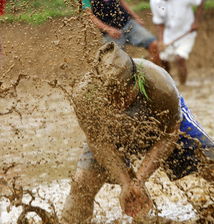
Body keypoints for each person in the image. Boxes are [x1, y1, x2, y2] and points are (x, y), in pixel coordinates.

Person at [61, 42, 214, 224]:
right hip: (111, 134)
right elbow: (98, 142)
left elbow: (169, 134)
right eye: (111, 97)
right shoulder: (85, 97)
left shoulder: (160, 85)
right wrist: (126, 183)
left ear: (137, 81)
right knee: (80, 186)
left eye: (124, 95)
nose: (119, 103)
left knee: (210, 162)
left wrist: (139, 180)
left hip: (164, 124)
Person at [81, 0, 162, 66]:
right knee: (115, 64)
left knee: (154, 45)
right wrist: (108, 29)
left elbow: (122, 2)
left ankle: (160, 76)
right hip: (110, 34)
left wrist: (135, 17)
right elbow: (90, 16)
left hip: (128, 24)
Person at [150, 0, 205, 85]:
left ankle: (183, 85)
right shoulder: (155, 2)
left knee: (180, 58)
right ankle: (169, 84)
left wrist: (196, 22)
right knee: (163, 60)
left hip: (186, 33)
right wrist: (161, 41)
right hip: (168, 35)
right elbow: (159, 22)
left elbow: (201, 1)